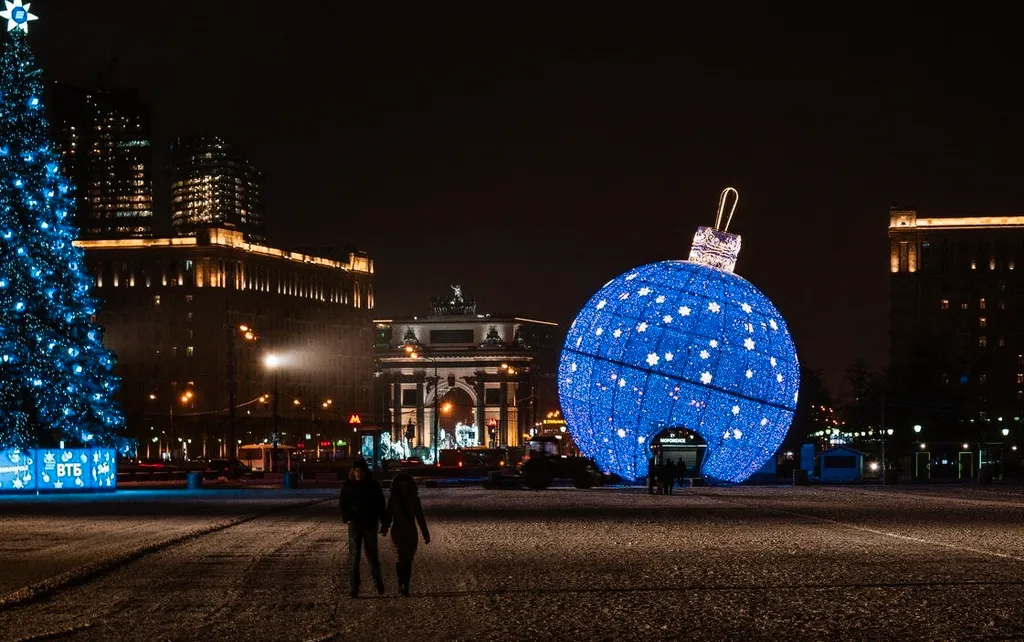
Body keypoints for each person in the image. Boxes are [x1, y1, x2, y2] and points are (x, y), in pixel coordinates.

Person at [339, 459, 390, 598]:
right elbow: (343, 503)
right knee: (355, 558)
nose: (359, 474)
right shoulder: (349, 486)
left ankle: (378, 583)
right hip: (356, 525)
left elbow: (380, 505)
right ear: (353, 472)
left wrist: (385, 523)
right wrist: (347, 516)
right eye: (357, 471)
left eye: (361, 472)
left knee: (372, 556)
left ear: (364, 472)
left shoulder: (372, 486)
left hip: (369, 524)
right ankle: (355, 588)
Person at [386, 472, 431, 596]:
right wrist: (385, 527)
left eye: (405, 485)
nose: (403, 488)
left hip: (409, 532)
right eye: (401, 486)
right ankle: (402, 584)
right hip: (399, 532)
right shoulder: (395, 499)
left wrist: (425, 533)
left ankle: (405, 585)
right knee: (402, 559)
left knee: (407, 560)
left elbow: (420, 517)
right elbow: (389, 514)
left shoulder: (413, 499)